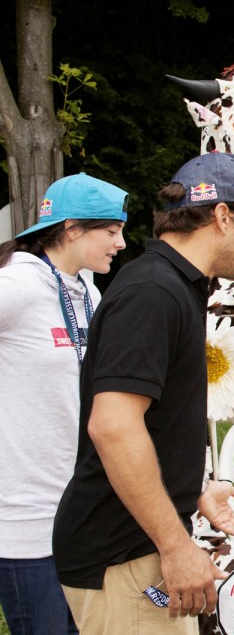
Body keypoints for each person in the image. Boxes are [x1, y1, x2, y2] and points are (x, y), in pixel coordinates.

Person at [52, 152, 234, 633]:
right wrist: (177, 546)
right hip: (122, 554)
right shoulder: (154, 292)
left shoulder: (175, 285)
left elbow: (151, 422)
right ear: (224, 216)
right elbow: (113, 427)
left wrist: (189, 491)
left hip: (138, 546)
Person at [0, 174, 128, 635]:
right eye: (111, 231)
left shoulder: (88, 294)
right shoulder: (18, 283)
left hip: (78, 513)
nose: (121, 242)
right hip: (25, 521)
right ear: (72, 229)